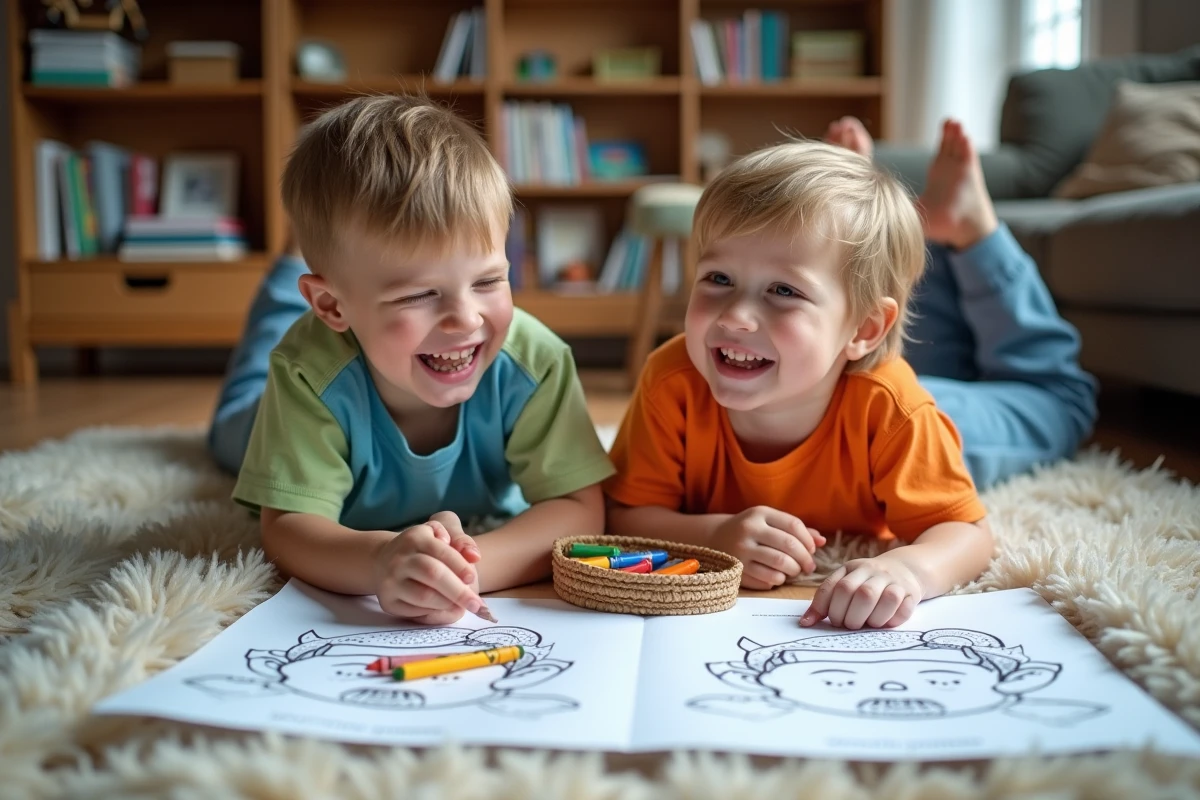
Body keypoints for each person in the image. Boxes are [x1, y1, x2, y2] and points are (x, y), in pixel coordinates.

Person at [214, 95, 614, 625]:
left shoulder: (535, 362)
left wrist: (466, 569)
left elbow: (579, 508)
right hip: (267, 407)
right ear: (331, 305)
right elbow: (288, 527)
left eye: (488, 281)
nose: (465, 319)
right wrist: (379, 561)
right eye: (420, 294)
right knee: (237, 414)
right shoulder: (307, 371)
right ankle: (286, 273)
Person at [604, 138, 994, 630]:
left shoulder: (893, 407)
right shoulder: (672, 378)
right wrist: (714, 535)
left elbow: (968, 533)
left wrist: (908, 568)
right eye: (719, 278)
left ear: (864, 328)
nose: (736, 316)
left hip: (956, 417)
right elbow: (624, 514)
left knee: (1043, 417)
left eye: (783, 290)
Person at [825, 117, 1098, 489]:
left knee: (910, 349)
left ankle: (860, 231)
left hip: (884, 379)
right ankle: (957, 234)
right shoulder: (900, 418)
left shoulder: (891, 415)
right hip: (879, 400)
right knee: (1060, 402)